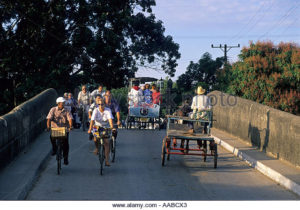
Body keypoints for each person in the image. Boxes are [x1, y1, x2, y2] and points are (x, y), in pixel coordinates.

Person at [88, 98, 115, 166]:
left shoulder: (108, 110)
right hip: (97, 126)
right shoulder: (95, 110)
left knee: (106, 142)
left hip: (105, 126)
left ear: (104, 104)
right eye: (99, 104)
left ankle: (106, 160)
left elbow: (110, 120)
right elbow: (92, 120)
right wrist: (89, 129)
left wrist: (112, 127)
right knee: (95, 138)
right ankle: (97, 148)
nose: (100, 106)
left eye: (102, 104)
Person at [46, 97, 73, 165]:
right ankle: (54, 149)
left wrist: (70, 126)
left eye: (64, 103)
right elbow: (49, 119)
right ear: (58, 103)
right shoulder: (53, 109)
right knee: (51, 137)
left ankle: (65, 158)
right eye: (62, 103)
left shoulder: (66, 110)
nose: (63, 104)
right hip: (55, 128)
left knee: (66, 143)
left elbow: (70, 119)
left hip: (64, 128)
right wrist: (48, 127)